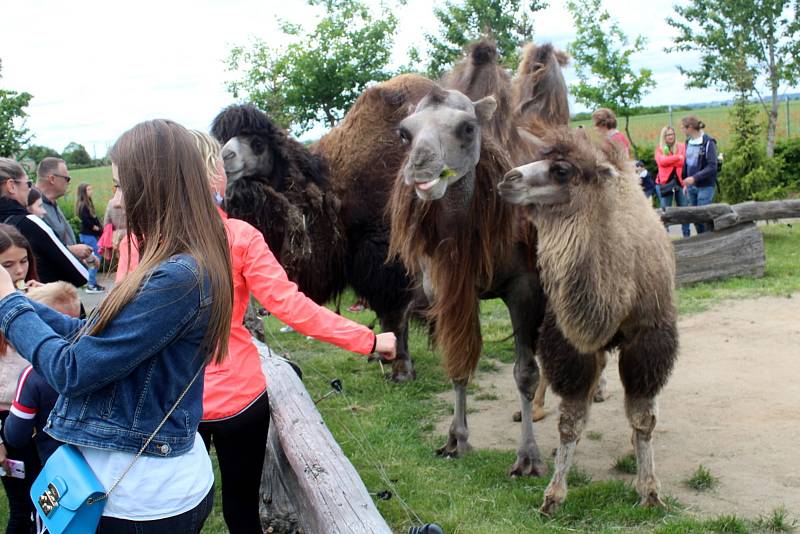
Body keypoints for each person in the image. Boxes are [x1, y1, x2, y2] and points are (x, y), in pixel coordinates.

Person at [116, 130, 397, 534]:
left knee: (171, 507)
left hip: (169, 399)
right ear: (212, 176)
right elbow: (293, 308)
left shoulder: (138, 243)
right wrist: (370, 339)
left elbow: (124, 323)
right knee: (241, 508)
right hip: (237, 398)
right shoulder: (239, 237)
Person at [0, 119, 235, 532]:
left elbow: (71, 370)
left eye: (123, 186)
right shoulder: (180, 262)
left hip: (140, 500)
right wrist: (21, 303)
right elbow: (92, 339)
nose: (118, 199)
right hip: (145, 485)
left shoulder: (177, 277)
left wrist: (8, 305)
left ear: (155, 187)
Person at [5, 283, 80, 464]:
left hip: (55, 464)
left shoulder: (32, 376)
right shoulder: (93, 362)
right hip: (96, 462)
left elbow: (15, 436)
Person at [0, 224, 42, 534]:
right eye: (8, 265)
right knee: (22, 508)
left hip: (44, 418)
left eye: (23, 261)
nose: (19, 271)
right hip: (9, 424)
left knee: (52, 501)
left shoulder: (37, 297)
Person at [0, 158, 88, 286]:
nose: (30, 189)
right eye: (28, 184)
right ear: (11, 186)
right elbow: (80, 274)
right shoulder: (30, 223)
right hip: (45, 301)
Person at [35, 157, 93, 262]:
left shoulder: (52, 202)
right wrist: (71, 251)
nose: (69, 182)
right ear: (52, 179)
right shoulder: (33, 207)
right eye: (67, 178)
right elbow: (37, 250)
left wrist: (78, 256)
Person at [680, 116, 718, 234]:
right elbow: (687, 163)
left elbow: (712, 166)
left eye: (683, 128)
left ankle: (708, 242)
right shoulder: (688, 142)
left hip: (705, 186)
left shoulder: (708, 142)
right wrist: (686, 183)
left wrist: (694, 178)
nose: (681, 131)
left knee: (703, 217)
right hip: (691, 186)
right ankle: (700, 241)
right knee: (695, 218)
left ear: (690, 128)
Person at [654, 126, 691, 238]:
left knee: (684, 209)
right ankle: (664, 237)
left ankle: (686, 235)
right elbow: (662, 161)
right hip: (665, 183)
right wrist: (677, 158)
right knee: (665, 211)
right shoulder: (659, 149)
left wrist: (674, 160)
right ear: (664, 137)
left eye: (672, 134)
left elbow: (683, 161)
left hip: (680, 182)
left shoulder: (681, 146)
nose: (671, 136)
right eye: (668, 134)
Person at [75, 183, 105, 293]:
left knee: (96, 258)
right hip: (88, 235)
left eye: (91, 188)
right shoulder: (83, 205)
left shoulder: (89, 203)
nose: (91, 191)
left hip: (91, 235)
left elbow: (94, 218)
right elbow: (86, 221)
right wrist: (95, 227)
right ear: (83, 192)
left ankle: (92, 282)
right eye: (88, 189)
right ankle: (90, 285)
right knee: (94, 258)